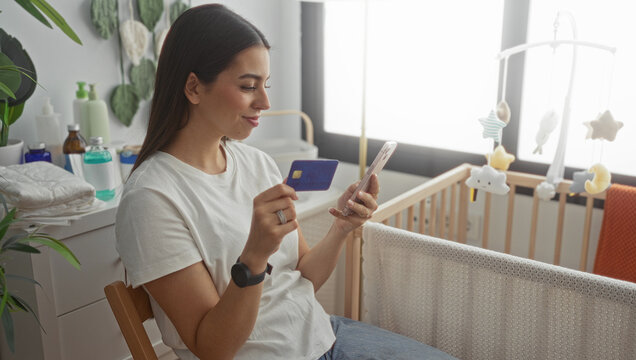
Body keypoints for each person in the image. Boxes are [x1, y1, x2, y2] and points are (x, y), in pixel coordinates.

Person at [115, 4, 456, 360]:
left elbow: (303, 276)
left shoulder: (255, 163)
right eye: (248, 86)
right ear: (194, 87)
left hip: (323, 335)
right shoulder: (152, 199)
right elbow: (213, 348)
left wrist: (341, 227)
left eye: (265, 85)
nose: (264, 101)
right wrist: (254, 257)